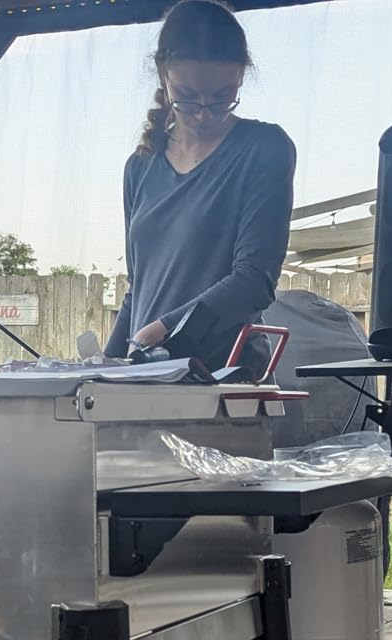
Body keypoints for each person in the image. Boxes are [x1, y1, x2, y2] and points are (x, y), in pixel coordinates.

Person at [102, 0, 296, 380]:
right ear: (162, 73)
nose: (204, 112)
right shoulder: (140, 167)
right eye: (188, 97)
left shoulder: (264, 149)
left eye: (221, 97)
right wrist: (106, 366)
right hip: (148, 382)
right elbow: (139, 288)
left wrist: (164, 332)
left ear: (241, 75)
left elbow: (254, 281)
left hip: (226, 387)